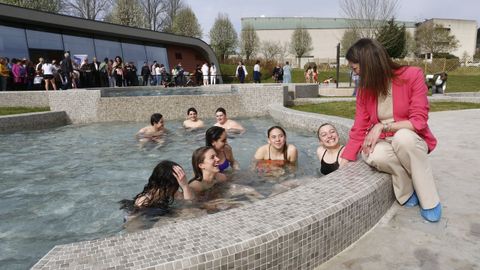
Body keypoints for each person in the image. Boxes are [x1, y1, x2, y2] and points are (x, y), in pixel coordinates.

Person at [340, 38, 442, 222]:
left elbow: (418, 121)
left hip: (410, 137)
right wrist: (346, 159)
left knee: (403, 139)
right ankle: (408, 190)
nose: (354, 74)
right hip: (385, 141)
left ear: (368, 65)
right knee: (373, 155)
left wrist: (383, 125)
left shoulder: (412, 75)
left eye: (355, 69)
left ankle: (429, 199)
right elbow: (360, 126)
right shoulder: (364, 91)